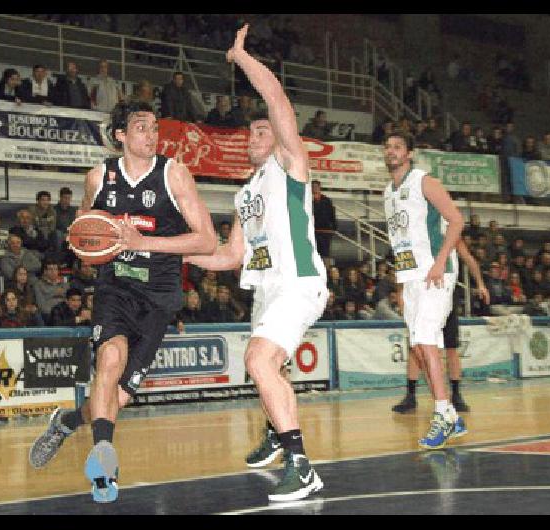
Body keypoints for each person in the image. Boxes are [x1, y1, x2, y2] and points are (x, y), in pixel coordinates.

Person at [28, 99, 216, 504]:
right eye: (142, 128)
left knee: (116, 397)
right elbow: (82, 230)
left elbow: (206, 240)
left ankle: (65, 422)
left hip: (160, 297)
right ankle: (102, 466)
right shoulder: (98, 177)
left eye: (154, 128)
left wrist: (141, 241)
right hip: (115, 287)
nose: (152, 135)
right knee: (108, 362)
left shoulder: (174, 174)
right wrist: (82, 244)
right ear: (120, 135)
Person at [184, 25, 327, 502]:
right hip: (266, 289)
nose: (255, 132)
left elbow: (275, 95)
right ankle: (276, 430)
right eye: (251, 130)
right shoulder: (244, 193)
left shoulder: (291, 164)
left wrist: (241, 58)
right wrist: (170, 252)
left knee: (258, 360)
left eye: (263, 127)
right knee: (269, 369)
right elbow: (228, 255)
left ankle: (301, 466)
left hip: (298, 282)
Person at [382, 130, 467, 450]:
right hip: (411, 275)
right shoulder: (387, 192)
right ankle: (451, 416)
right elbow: (399, 242)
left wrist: (440, 261)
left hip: (435, 271)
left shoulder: (424, 181)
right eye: (387, 147)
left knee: (427, 340)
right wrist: (401, 285)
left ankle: (443, 413)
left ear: (410, 153)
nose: (391, 151)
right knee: (418, 347)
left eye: (397, 146)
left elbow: (456, 220)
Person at [392, 240, 490, 414]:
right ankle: (412, 395)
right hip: (422, 294)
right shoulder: (416, 233)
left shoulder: (449, 232)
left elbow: (468, 258)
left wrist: (480, 283)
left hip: (445, 295)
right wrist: (402, 298)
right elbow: (403, 269)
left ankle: (455, 394)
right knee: (416, 348)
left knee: (451, 347)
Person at [312, 180, 337, 267]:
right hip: (313, 231)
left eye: (316, 187)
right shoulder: (307, 200)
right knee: (314, 252)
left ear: (319, 188)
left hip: (325, 231)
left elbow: (332, 214)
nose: (315, 188)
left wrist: (334, 227)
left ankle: (326, 272)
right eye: (313, 187)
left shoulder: (326, 200)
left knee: (325, 253)